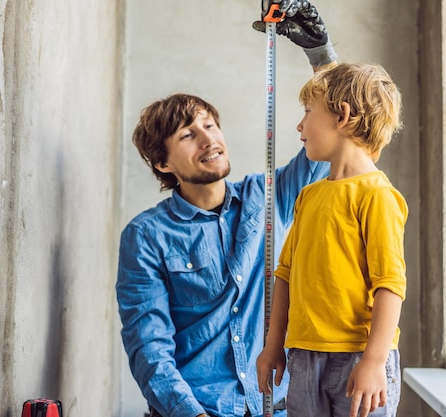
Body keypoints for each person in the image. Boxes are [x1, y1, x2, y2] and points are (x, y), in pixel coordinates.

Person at [115, 2, 336, 416]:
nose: (208, 139)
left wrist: (320, 54)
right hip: (198, 409)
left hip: (278, 404)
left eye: (210, 125)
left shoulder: (265, 196)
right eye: (188, 134)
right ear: (162, 163)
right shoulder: (146, 236)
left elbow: (330, 146)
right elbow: (149, 346)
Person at [256, 63, 408, 417]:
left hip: (358, 356)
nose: (300, 125)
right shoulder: (308, 196)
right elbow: (285, 274)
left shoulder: (377, 196)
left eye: (308, 112)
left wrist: (373, 361)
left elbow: (390, 285)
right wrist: (273, 344)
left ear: (342, 116)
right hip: (303, 357)